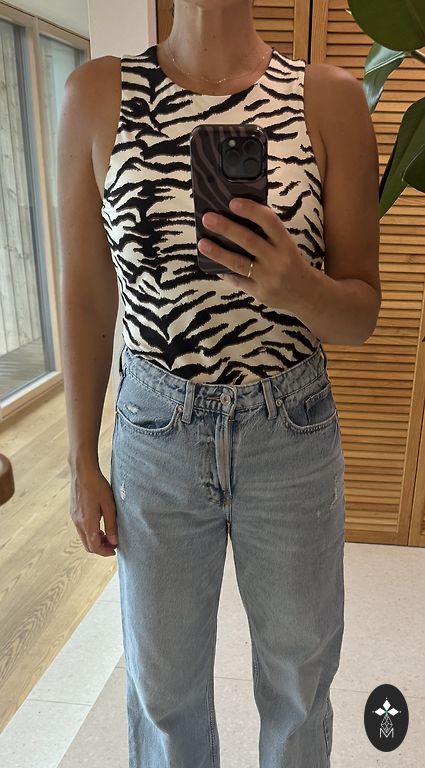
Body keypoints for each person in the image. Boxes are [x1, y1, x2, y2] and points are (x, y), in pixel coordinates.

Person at [58, 0, 381, 765]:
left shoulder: (329, 99)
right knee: (162, 693)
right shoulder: (96, 95)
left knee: (299, 686)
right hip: (154, 433)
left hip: (289, 429)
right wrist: (79, 459)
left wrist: (295, 287)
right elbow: (86, 296)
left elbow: (360, 313)